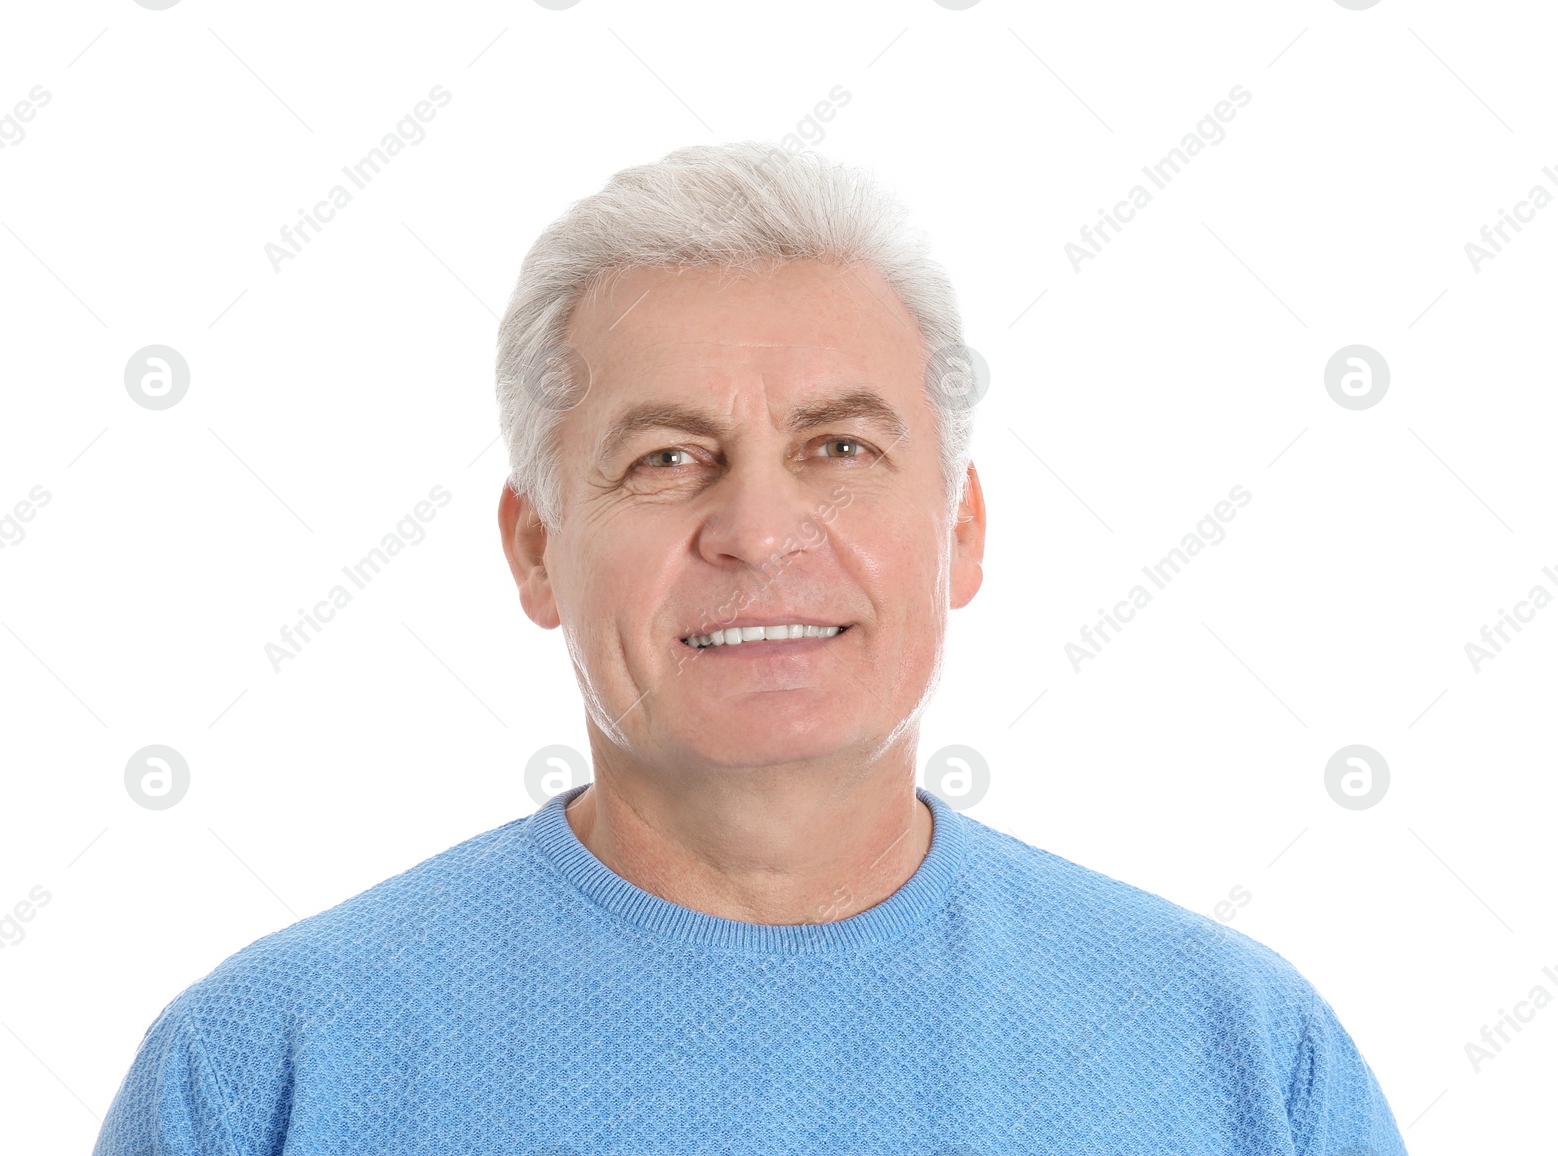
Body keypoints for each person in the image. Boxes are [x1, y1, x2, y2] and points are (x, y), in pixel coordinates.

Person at [93, 141, 1408, 1155]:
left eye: (840, 448)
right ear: (536, 549)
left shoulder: (1238, 1057)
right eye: (670, 459)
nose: (759, 530)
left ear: (960, 528)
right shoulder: (269, 1069)